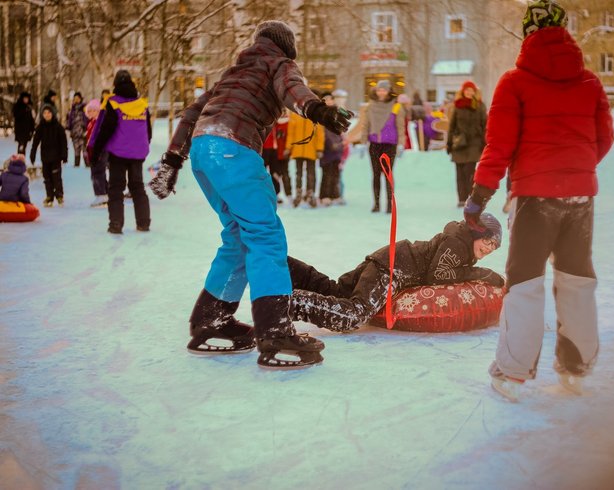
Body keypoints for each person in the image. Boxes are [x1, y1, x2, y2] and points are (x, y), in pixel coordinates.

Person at [148, 20, 352, 369]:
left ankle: (210, 322)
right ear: (287, 47)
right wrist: (320, 111)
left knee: (239, 237)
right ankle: (275, 333)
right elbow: (293, 89)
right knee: (264, 236)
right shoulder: (279, 63)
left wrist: (171, 160)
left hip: (203, 151)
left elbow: (192, 114)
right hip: (234, 149)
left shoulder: (234, 71)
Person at [463, 0, 614, 402]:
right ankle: (577, 369)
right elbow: (605, 139)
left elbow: (499, 146)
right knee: (577, 280)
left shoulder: (515, 81)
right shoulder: (591, 82)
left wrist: (479, 197)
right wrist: (575, 170)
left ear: (528, 33)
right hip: (580, 198)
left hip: (535, 198)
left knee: (526, 284)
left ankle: (512, 375)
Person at [288, 213, 505, 332]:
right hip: (393, 268)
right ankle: (291, 304)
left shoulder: (461, 243)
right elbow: (438, 275)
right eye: (488, 241)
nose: (488, 248)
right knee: (354, 315)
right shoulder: (458, 243)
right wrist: (481, 273)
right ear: (476, 232)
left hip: (388, 259)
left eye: (494, 247)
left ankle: (286, 267)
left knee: (336, 292)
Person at [90, 70, 152, 234]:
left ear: (115, 84)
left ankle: (116, 224)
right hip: (137, 154)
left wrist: (96, 150)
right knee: (137, 187)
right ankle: (143, 223)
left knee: (116, 188)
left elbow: (106, 128)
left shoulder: (113, 102)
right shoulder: (141, 104)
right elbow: (148, 130)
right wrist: (142, 146)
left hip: (118, 153)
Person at [361, 79, 405, 213]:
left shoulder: (396, 106)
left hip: (389, 145)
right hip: (374, 144)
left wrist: (401, 144)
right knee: (375, 174)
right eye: (379, 90)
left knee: (388, 175)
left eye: (384, 90)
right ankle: (376, 203)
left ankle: (389, 204)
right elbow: (365, 125)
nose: (381, 92)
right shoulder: (370, 106)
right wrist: (363, 142)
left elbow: (401, 126)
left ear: (389, 91)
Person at [446, 81, 487, 207]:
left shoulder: (480, 106)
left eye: (471, 90)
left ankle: (470, 197)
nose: (469, 92)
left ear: (474, 92)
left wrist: (484, 142)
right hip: (459, 143)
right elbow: (452, 126)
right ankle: (461, 198)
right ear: (463, 92)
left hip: (474, 143)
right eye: (467, 90)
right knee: (460, 173)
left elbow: (484, 125)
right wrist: (449, 143)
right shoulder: (457, 106)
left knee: (470, 172)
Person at [285, 107, 324, 208]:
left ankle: (310, 194)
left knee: (311, 174)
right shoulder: (295, 115)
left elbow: (320, 133)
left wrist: (319, 149)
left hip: (311, 150)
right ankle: (298, 193)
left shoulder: (316, 116)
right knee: (299, 174)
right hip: (298, 150)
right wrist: (288, 147)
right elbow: (291, 134)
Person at [31, 105, 68, 207]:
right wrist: (32, 154)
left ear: (52, 114)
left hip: (56, 157)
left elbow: (63, 142)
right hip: (45, 157)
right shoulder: (40, 127)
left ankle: (59, 195)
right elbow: (35, 142)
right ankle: (49, 196)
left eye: (49, 113)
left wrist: (64, 155)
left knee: (56, 177)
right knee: (47, 178)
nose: (47, 115)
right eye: (45, 113)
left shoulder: (58, 127)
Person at [319, 92, 345, 205]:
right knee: (326, 173)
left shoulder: (337, 113)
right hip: (326, 148)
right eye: (325, 99)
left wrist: (340, 143)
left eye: (330, 99)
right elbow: (323, 132)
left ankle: (335, 195)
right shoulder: (320, 114)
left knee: (336, 173)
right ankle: (324, 195)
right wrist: (331, 144)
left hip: (338, 147)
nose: (328, 101)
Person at [84, 99, 108, 207]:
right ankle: (104, 193)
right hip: (93, 150)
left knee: (98, 172)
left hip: (100, 150)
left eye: (94, 110)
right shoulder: (91, 123)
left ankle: (101, 194)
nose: (91, 112)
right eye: (89, 111)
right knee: (96, 172)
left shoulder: (100, 123)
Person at [66, 92, 89, 167]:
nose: (76, 100)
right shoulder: (71, 110)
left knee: (85, 150)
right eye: (75, 98)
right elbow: (68, 120)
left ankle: (88, 165)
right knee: (76, 151)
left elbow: (88, 118)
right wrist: (68, 126)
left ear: (80, 99)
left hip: (83, 133)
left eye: (77, 98)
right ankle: (76, 166)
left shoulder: (85, 108)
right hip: (75, 133)